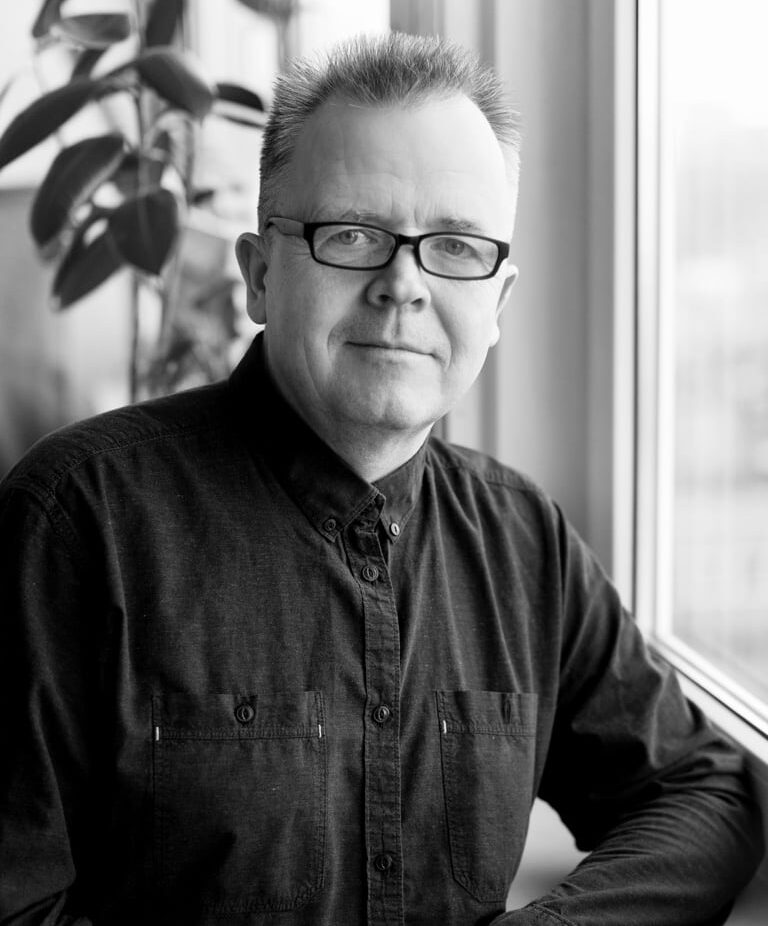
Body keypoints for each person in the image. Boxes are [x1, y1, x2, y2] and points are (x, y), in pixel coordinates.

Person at [0, 30, 763, 926]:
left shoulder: (524, 543)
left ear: (498, 302)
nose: (403, 286)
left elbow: (705, 787)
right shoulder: (77, 519)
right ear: (258, 276)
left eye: (456, 246)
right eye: (354, 234)